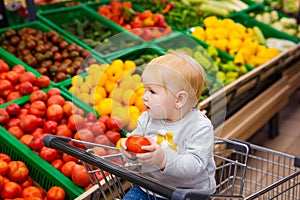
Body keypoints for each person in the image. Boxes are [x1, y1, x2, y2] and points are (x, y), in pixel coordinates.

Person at [121, 51, 216, 200]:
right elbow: (136, 144)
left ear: (179, 100)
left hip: (187, 194)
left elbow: (195, 166)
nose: (144, 96)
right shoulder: (147, 118)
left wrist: (163, 160)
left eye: (152, 91)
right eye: (145, 89)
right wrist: (129, 153)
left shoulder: (200, 127)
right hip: (148, 187)